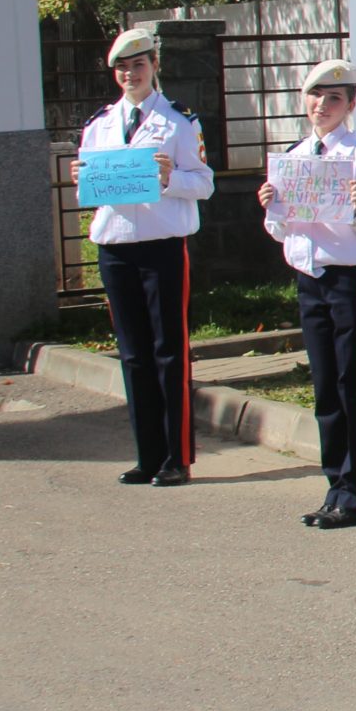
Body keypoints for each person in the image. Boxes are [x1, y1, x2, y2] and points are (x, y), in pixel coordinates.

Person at [258, 58, 356, 528]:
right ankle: (336, 487)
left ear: (351, 104)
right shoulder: (295, 156)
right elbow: (284, 232)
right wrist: (272, 208)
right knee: (325, 389)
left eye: (334, 98)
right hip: (311, 280)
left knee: (354, 387)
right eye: (316, 96)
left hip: (352, 280)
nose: (322, 105)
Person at [77, 27, 215, 485]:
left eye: (138, 65)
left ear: (155, 66)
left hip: (161, 245)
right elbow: (93, 190)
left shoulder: (178, 121)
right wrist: (83, 178)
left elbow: (204, 183)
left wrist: (170, 178)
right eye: (122, 67)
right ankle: (148, 455)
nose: (130, 74)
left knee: (168, 351)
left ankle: (177, 457)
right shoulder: (99, 125)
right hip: (115, 245)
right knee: (133, 354)